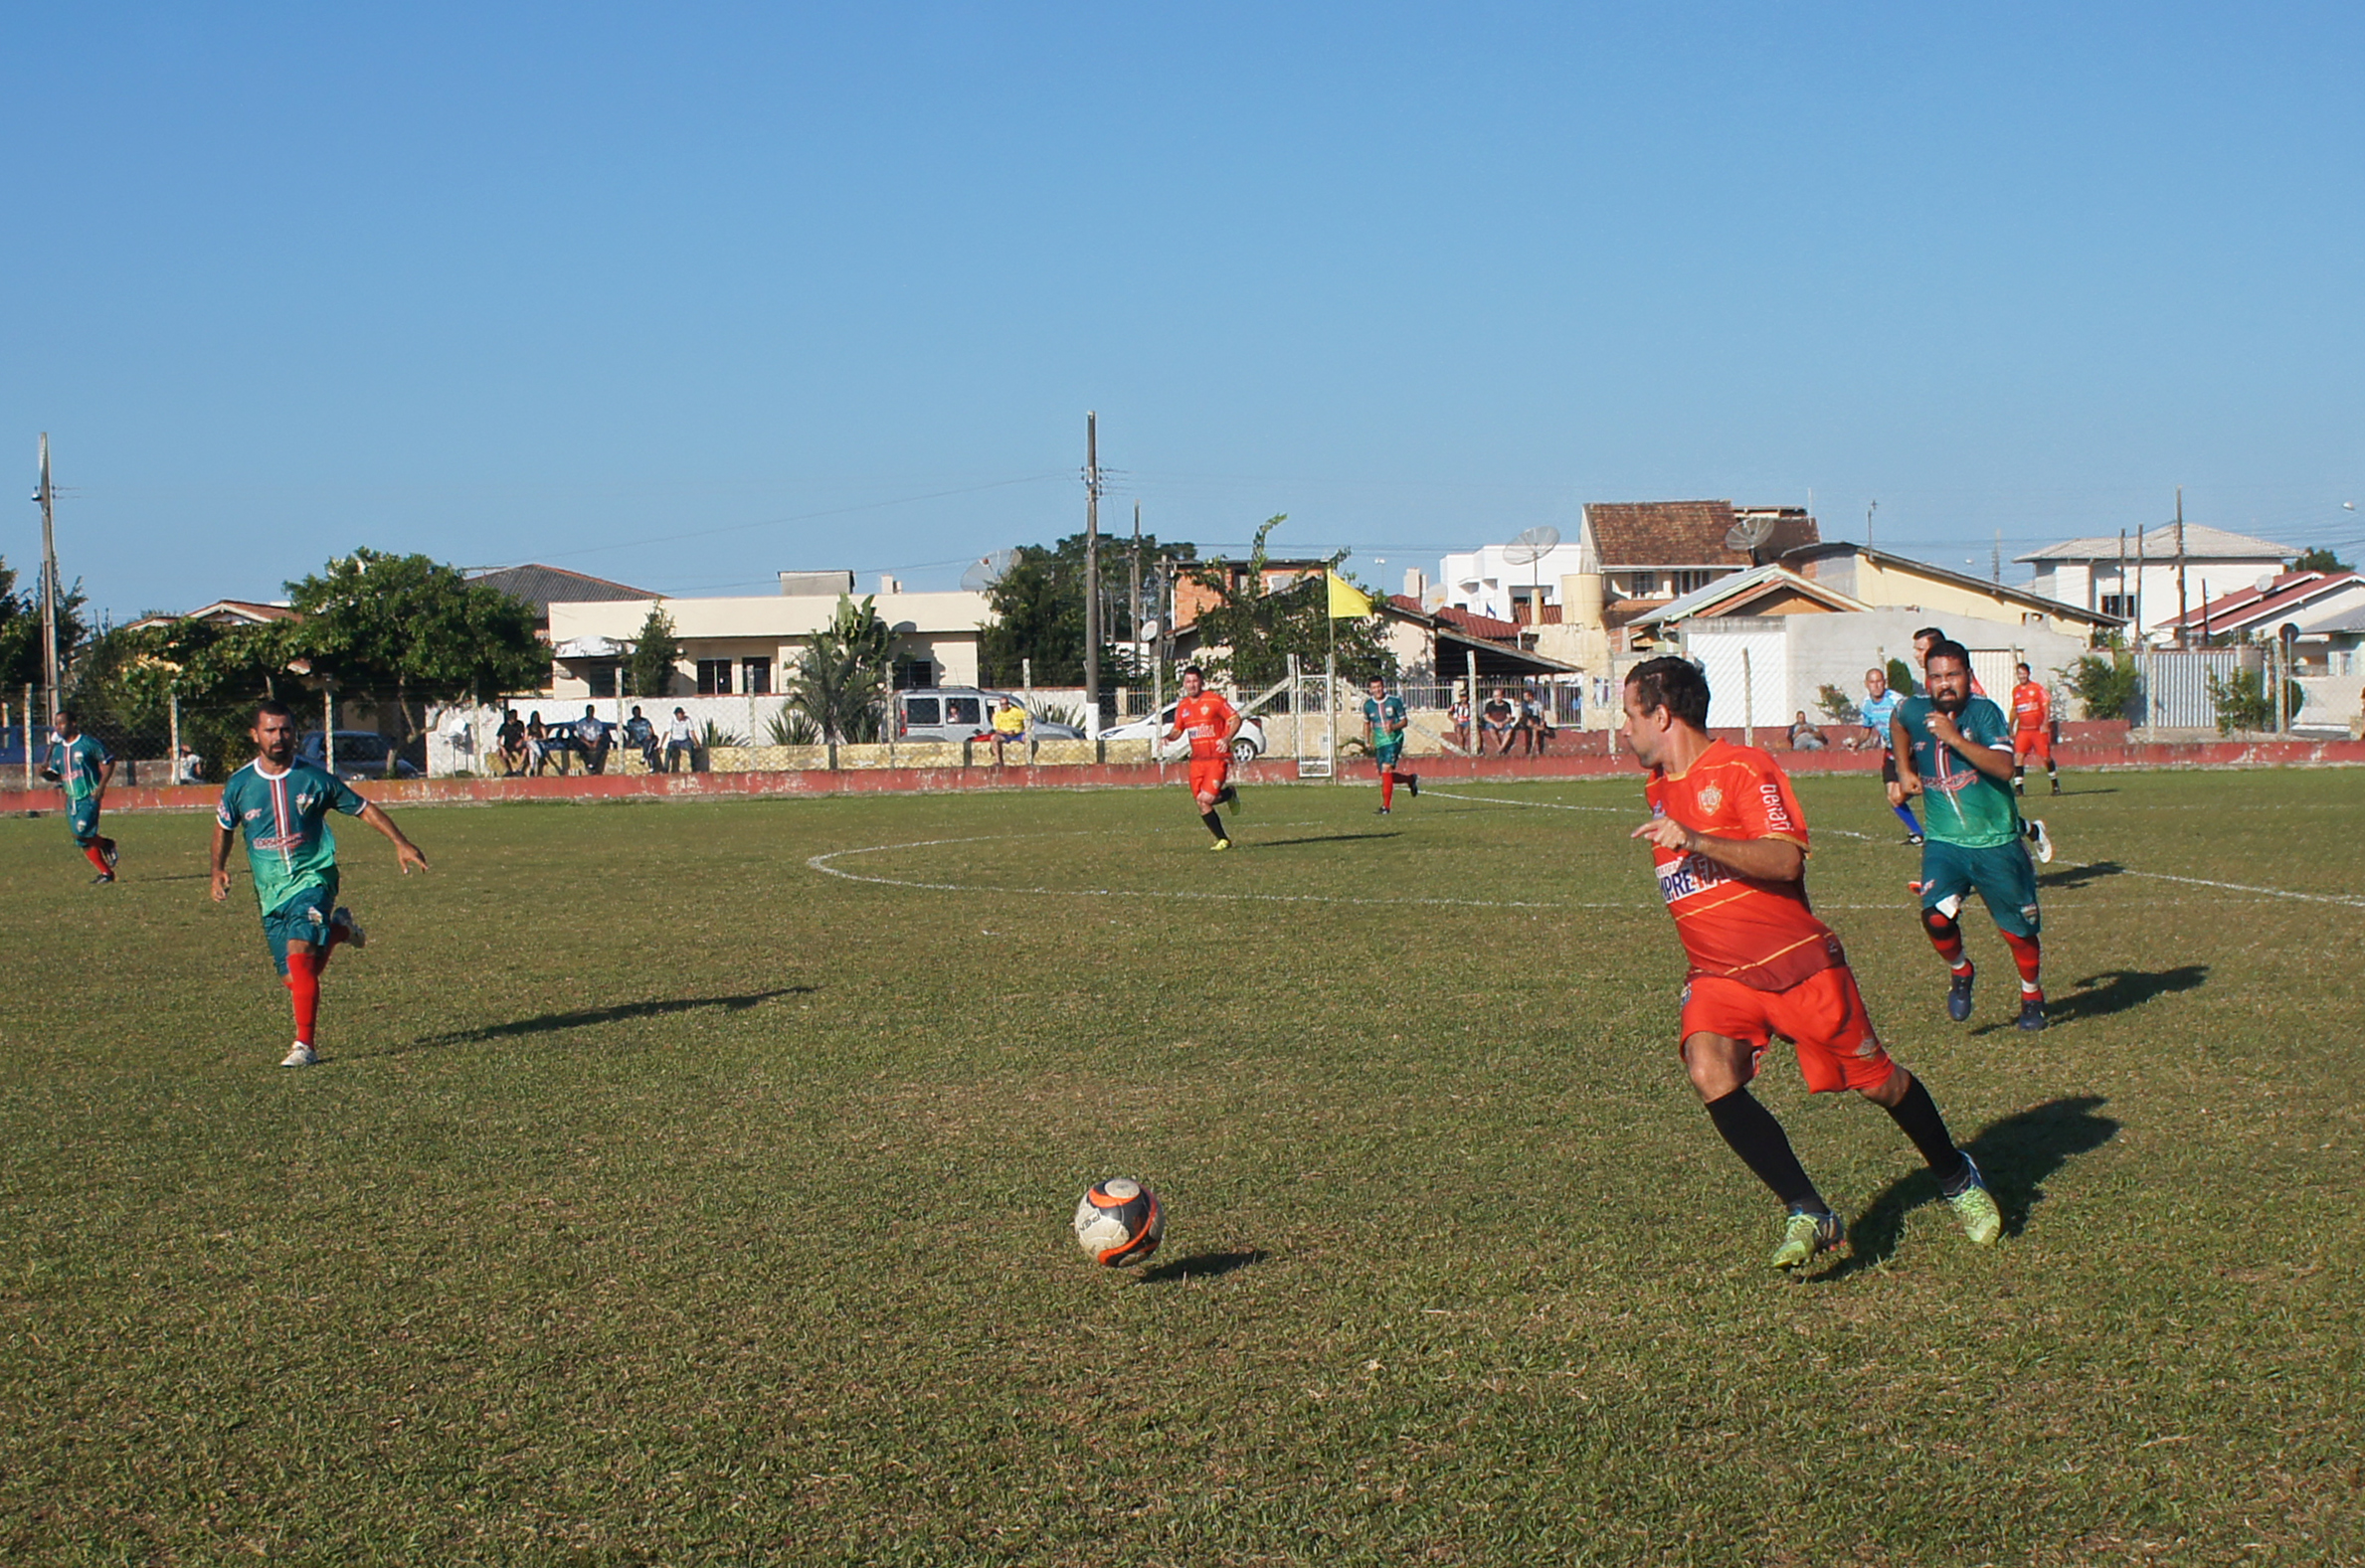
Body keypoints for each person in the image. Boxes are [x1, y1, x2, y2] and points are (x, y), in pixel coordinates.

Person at [1618, 655, 2000, 1270]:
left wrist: (1696, 839)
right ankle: (1809, 1210)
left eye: (1630, 715)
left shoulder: (1744, 766)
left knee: (1882, 1085)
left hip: (1796, 967)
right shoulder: (1659, 785)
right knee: (1708, 1068)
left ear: (1661, 715)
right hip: (1720, 977)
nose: (1624, 730)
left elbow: (1786, 862)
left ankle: (1957, 1175)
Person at [210, 699, 429, 1067]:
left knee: (300, 954)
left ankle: (304, 1046)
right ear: (255, 735)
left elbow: (363, 808)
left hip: (314, 879)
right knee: (296, 979)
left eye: (286, 729)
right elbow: (224, 827)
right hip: (270, 892)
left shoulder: (314, 778)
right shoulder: (240, 784)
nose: (280, 737)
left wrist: (400, 842)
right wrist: (217, 868)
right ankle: (340, 931)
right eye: (271, 730)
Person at [1892, 639, 2051, 1031]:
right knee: (1935, 918)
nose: (1945, 684)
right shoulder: (1914, 709)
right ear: (1926, 680)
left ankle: (2032, 994)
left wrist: (1954, 738)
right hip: (1945, 843)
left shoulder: (1984, 714)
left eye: (1953, 675)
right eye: (1936, 677)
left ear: (1968, 675)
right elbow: (1897, 719)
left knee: (2018, 932)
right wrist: (1902, 769)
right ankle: (1961, 971)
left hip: (1996, 842)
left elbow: (2003, 765)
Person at [1163, 666, 1241, 850]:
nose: (1192, 685)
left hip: (1216, 757)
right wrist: (1168, 737)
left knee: (1206, 798)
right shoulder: (1183, 706)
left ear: (1202, 682)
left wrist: (1227, 737)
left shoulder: (1214, 700)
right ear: (1184, 684)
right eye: (1188, 681)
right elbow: (1177, 729)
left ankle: (1229, 794)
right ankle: (1223, 839)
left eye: (1195, 681)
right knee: (1201, 802)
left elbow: (1236, 719)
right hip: (1197, 761)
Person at [42, 709, 118, 883]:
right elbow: (54, 775)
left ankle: (107, 845)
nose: (58, 727)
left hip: (89, 795)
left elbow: (109, 761)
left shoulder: (88, 743)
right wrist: (44, 774)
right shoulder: (59, 750)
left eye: (62, 723)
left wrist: (101, 787)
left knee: (81, 832)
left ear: (73, 724)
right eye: (56, 724)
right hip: (71, 799)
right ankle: (106, 873)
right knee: (81, 840)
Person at [1861, 667, 1925, 845]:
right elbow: (1866, 730)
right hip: (1890, 752)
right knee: (1892, 797)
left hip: (1907, 751)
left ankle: (1928, 787)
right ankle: (1918, 834)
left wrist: (1913, 744)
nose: (1876, 685)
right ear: (1867, 684)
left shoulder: (1896, 700)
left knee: (1899, 795)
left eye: (1880, 681)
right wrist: (1857, 742)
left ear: (1885, 682)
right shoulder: (1866, 704)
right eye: (1872, 682)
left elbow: (1914, 721)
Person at [1361, 675, 1419, 814]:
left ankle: (1386, 807)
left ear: (1383, 686)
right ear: (1370, 689)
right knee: (1385, 774)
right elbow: (1367, 723)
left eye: (1379, 687)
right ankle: (1410, 779)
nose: (1377, 690)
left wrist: (1393, 727)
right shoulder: (1368, 705)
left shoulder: (1394, 702)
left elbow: (1404, 722)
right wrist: (1367, 740)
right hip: (1379, 742)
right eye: (1374, 687)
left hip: (1394, 739)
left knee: (1386, 769)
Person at [2009, 663, 2060, 796]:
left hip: (2037, 730)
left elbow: (2046, 707)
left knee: (2046, 757)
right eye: (2019, 673)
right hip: (2023, 730)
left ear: (2028, 673)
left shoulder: (2037, 689)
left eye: (2024, 673)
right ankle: (2019, 788)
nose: (2022, 676)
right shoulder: (2016, 691)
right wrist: (2010, 726)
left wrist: (2045, 723)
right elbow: (2015, 710)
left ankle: (2055, 784)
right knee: (2018, 756)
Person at [988, 695, 1027, 766]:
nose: (1004, 706)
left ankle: (1028, 760)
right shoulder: (997, 715)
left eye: (1005, 703)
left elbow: (1029, 716)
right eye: (1002, 704)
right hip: (1004, 735)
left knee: (1028, 739)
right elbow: (997, 729)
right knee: (994, 738)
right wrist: (1007, 732)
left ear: (1008, 704)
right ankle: (998, 761)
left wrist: (1026, 729)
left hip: (1018, 734)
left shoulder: (1016, 711)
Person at [573, 705, 612, 776]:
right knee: (580, 748)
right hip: (585, 742)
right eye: (589, 711)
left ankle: (597, 767)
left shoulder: (597, 722)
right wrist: (588, 744)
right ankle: (588, 764)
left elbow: (600, 735)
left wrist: (595, 743)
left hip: (595, 741)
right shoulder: (581, 723)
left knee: (602, 749)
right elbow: (581, 735)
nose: (590, 712)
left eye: (591, 711)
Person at [623, 705, 659, 773]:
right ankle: (650, 764)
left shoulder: (645, 721)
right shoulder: (630, 723)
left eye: (638, 712)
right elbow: (631, 734)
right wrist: (629, 743)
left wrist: (650, 735)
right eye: (635, 712)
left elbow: (651, 730)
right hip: (639, 740)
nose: (637, 714)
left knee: (650, 742)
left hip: (648, 738)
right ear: (633, 713)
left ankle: (645, 757)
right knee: (649, 747)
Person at [1481, 690, 1518, 755]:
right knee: (1491, 730)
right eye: (1495, 696)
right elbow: (1486, 717)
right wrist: (1495, 723)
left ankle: (1501, 748)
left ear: (1502, 696)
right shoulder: (1489, 705)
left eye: (1498, 696)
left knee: (1509, 730)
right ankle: (1499, 747)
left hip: (1503, 722)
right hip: (1492, 723)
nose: (1497, 698)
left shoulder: (1506, 705)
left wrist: (1503, 723)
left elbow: (1509, 717)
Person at [664, 707, 697, 773]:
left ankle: (694, 768)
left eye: (681, 714)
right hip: (675, 740)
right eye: (678, 715)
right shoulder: (672, 720)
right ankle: (666, 768)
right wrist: (661, 744)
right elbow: (666, 732)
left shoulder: (687, 720)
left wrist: (697, 744)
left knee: (692, 749)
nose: (680, 716)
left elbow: (692, 732)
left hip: (685, 740)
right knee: (669, 749)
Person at [497, 709, 528, 777]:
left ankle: (519, 769)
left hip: (517, 744)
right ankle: (508, 770)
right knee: (499, 753)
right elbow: (498, 741)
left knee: (525, 750)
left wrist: (521, 741)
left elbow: (525, 735)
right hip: (508, 745)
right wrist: (503, 749)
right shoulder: (504, 726)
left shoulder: (519, 724)